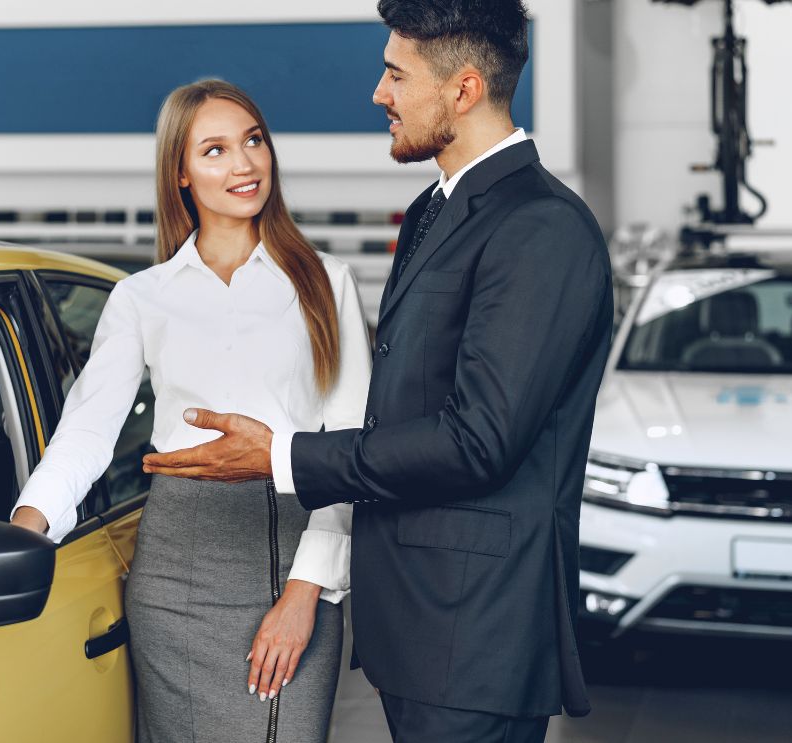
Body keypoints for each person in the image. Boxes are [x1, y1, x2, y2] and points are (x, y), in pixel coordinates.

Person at [143, 2, 613, 742]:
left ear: (461, 91)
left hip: (476, 628)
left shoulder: (539, 227)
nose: (378, 93)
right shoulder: (435, 208)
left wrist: (280, 454)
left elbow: (478, 440)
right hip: (421, 626)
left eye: (396, 74)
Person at [11, 79, 372, 742]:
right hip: (172, 571)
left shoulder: (327, 283)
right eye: (214, 150)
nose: (243, 164)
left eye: (253, 141)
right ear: (179, 173)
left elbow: (348, 449)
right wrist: (22, 533)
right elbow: (86, 434)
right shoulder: (140, 298)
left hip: (286, 555)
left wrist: (305, 594)